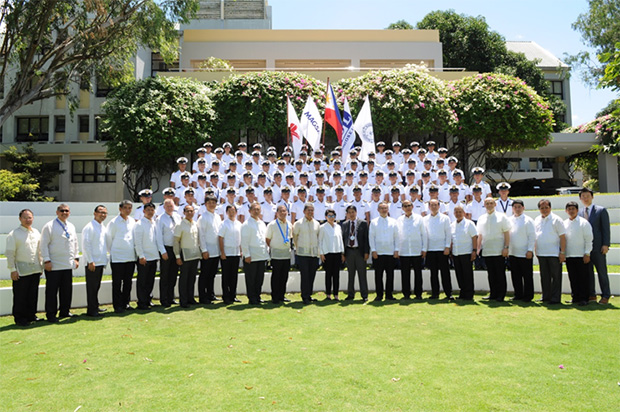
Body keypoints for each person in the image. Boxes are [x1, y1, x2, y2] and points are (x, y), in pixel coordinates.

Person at [40, 204, 79, 322]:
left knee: (66, 290)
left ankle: (64, 311)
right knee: (52, 292)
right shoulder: (49, 226)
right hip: (54, 265)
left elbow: (75, 243)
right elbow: (43, 245)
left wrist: (76, 258)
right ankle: (51, 314)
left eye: (67, 211)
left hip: (67, 264)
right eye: (62, 211)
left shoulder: (71, 226)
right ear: (57, 212)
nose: (64, 213)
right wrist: (47, 260)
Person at [6, 209, 43, 326]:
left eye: (30, 217)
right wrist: (12, 270)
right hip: (21, 270)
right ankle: (20, 318)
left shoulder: (36, 232)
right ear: (20, 219)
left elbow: (39, 251)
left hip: (35, 269)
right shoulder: (14, 234)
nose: (28, 220)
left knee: (33, 294)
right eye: (25, 218)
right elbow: (10, 253)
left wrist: (41, 266)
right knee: (20, 295)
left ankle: (31, 315)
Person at [578, 187, 611, 304]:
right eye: (583, 196)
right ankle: (591, 295)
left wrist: (606, 244)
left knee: (602, 272)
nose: (585, 198)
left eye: (587, 196)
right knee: (588, 273)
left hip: (598, 247)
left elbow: (605, 229)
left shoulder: (601, 211)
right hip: (586, 248)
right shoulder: (580, 212)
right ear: (580, 199)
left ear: (592, 197)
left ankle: (606, 295)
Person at [476, 198, 511, 302]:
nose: (489, 205)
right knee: (491, 274)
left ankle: (501, 295)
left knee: (500, 273)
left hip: (499, 250)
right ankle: (493, 293)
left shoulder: (502, 217)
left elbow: (506, 233)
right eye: (487, 203)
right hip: (487, 250)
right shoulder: (481, 218)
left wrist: (506, 247)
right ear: (484, 205)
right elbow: (480, 235)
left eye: (491, 203)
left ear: (495, 204)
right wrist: (478, 248)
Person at [534, 199, 566, 305]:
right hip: (541, 253)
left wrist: (562, 252)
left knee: (556, 277)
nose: (544, 210)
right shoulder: (537, 220)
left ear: (550, 208)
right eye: (542, 208)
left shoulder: (557, 219)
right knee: (544, 277)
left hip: (554, 253)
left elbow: (562, 237)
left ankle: (556, 298)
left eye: (546, 207)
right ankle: (546, 296)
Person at [106, 200, 137, 313]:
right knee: (117, 283)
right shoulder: (114, 222)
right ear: (120, 209)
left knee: (128, 282)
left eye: (130, 208)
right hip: (118, 257)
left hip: (130, 257)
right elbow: (109, 239)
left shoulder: (132, 221)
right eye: (125, 208)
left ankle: (126, 303)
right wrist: (113, 252)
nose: (128, 210)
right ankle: (117, 305)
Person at [564, 201, 593, 306]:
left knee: (583, 278)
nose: (571, 211)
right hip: (569, 255)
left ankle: (584, 298)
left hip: (581, 255)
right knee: (573, 278)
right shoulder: (564, 223)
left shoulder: (584, 223)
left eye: (573, 209)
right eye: (569, 209)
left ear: (577, 210)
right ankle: (575, 297)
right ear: (566, 211)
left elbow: (589, 239)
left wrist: (587, 253)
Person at [368, 202, 399, 302]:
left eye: (385, 208)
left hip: (390, 252)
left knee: (390, 275)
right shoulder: (374, 222)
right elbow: (371, 237)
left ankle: (389, 295)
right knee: (378, 275)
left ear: (388, 209)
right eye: (382, 208)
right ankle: (379, 295)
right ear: (378, 210)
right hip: (378, 253)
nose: (384, 210)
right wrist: (373, 250)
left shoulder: (394, 221)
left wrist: (396, 250)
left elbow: (396, 237)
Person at [81, 205, 109, 317]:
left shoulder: (102, 226)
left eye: (105, 213)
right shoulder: (89, 227)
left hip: (100, 261)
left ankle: (95, 306)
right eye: (100, 212)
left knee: (96, 286)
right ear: (95, 213)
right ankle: (91, 310)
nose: (103, 215)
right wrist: (90, 261)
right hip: (92, 262)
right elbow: (86, 245)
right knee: (92, 287)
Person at [397, 200, 427, 300]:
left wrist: (424, 249)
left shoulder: (419, 219)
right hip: (404, 251)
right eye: (405, 206)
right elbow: (397, 236)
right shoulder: (399, 220)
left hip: (416, 250)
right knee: (405, 274)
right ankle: (406, 294)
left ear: (412, 206)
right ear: (402, 208)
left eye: (409, 205)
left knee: (418, 273)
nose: (407, 208)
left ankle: (418, 294)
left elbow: (424, 234)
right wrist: (397, 250)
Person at [423, 199, 453, 300]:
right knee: (433, 273)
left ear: (439, 206)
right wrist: (425, 249)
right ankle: (435, 293)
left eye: (435, 205)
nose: (434, 207)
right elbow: (424, 235)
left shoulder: (445, 218)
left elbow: (448, 234)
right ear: (428, 207)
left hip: (442, 249)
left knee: (445, 272)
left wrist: (447, 247)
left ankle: (448, 293)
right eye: (432, 205)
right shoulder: (425, 219)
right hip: (431, 249)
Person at [241, 202, 270, 305]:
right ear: (249, 211)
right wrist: (247, 255)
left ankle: (257, 296)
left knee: (259, 279)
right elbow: (244, 241)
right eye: (254, 209)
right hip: (251, 256)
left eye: (258, 209)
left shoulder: (262, 223)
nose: (256, 211)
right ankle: (252, 298)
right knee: (251, 279)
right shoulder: (246, 224)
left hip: (261, 255)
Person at [174, 205, 201, 308]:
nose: (190, 213)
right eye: (187, 211)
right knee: (184, 279)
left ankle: (191, 298)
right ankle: (183, 300)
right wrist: (177, 256)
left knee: (192, 278)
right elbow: (176, 241)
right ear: (184, 212)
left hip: (194, 254)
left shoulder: (194, 224)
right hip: (184, 255)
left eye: (191, 211)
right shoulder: (180, 224)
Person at [293, 203, 321, 304]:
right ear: (304, 211)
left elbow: (318, 238)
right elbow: (295, 237)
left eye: (312, 210)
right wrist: (298, 249)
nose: (310, 212)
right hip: (303, 254)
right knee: (305, 276)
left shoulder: (317, 224)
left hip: (313, 254)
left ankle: (309, 295)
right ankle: (304, 296)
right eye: (308, 210)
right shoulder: (298, 223)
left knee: (311, 276)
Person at [508, 200, 536, 302]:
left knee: (527, 276)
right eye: (515, 207)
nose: (517, 209)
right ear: (512, 208)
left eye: (519, 207)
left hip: (525, 253)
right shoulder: (509, 220)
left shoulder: (528, 220)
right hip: (513, 252)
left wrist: (530, 250)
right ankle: (518, 294)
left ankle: (528, 296)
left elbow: (532, 236)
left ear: (523, 208)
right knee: (516, 275)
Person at [133, 202, 159, 310]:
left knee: (150, 280)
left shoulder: (154, 223)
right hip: (144, 257)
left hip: (153, 256)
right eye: (148, 210)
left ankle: (148, 299)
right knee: (142, 281)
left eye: (152, 210)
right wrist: (141, 256)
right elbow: (137, 242)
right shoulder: (139, 224)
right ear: (143, 211)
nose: (150, 212)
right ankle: (142, 302)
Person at [156, 199, 181, 307]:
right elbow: (158, 236)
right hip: (166, 249)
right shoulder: (160, 219)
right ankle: (164, 299)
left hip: (176, 249)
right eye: (167, 206)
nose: (170, 208)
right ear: (164, 207)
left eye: (171, 206)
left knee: (173, 274)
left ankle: (171, 297)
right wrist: (163, 251)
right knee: (165, 275)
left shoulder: (177, 216)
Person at [197, 194, 222, 304]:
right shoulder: (203, 217)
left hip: (216, 250)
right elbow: (201, 235)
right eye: (209, 202)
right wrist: (204, 250)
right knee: (204, 275)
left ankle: (211, 294)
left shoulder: (217, 216)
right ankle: (203, 296)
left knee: (212, 274)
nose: (212, 204)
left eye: (213, 202)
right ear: (205, 204)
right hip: (207, 250)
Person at [266, 205, 293, 304]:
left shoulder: (289, 225)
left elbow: (289, 238)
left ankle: (282, 295)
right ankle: (275, 296)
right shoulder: (272, 225)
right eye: (281, 211)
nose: (283, 213)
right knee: (276, 276)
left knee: (284, 276)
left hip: (286, 254)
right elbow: (267, 239)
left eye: (285, 211)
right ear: (277, 213)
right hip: (276, 255)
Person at [342, 205, 370, 302]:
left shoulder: (363, 223)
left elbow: (366, 239)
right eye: (349, 212)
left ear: (356, 212)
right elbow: (343, 239)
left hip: (360, 252)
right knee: (351, 274)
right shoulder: (345, 224)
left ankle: (364, 295)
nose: (351, 214)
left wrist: (367, 252)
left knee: (362, 274)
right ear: (347, 214)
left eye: (353, 212)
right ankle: (350, 294)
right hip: (349, 251)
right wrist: (343, 254)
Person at [450, 205, 477, 300]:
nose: (458, 214)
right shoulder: (452, 225)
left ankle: (469, 294)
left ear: (464, 213)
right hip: (456, 253)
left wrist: (474, 250)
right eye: (456, 212)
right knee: (459, 274)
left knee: (467, 274)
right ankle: (463, 293)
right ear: (453, 214)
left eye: (460, 212)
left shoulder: (469, 224)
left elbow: (474, 237)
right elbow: (452, 240)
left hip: (466, 252)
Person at [319, 209, 345, 301]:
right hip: (327, 253)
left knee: (336, 275)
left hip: (337, 253)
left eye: (333, 216)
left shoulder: (338, 227)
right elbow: (320, 241)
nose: (331, 218)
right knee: (328, 275)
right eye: (329, 216)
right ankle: (328, 294)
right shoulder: (322, 227)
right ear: (326, 217)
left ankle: (336, 295)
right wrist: (321, 253)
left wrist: (342, 253)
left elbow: (340, 240)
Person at [218, 205, 242, 304]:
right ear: (226, 213)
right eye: (229, 211)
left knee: (234, 276)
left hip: (236, 253)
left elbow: (241, 239)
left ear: (236, 212)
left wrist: (241, 251)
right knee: (226, 276)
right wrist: (222, 252)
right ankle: (226, 296)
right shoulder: (223, 224)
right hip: (226, 253)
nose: (232, 213)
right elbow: (220, 238)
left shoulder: (239, 224)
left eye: (233, 211)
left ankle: (233, 295)